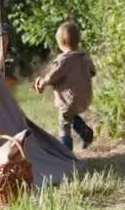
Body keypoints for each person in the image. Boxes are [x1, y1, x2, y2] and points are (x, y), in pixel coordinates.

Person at [33, 21, 96, 150]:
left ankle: (66, 152)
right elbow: (92, 71)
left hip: (68, 99)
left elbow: (52, 76)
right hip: (85, 97)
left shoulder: (64, 60)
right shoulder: (84, 56)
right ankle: (86, 133)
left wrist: (42, 82)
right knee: (70, 116)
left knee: (64, 124)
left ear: (61, 42)